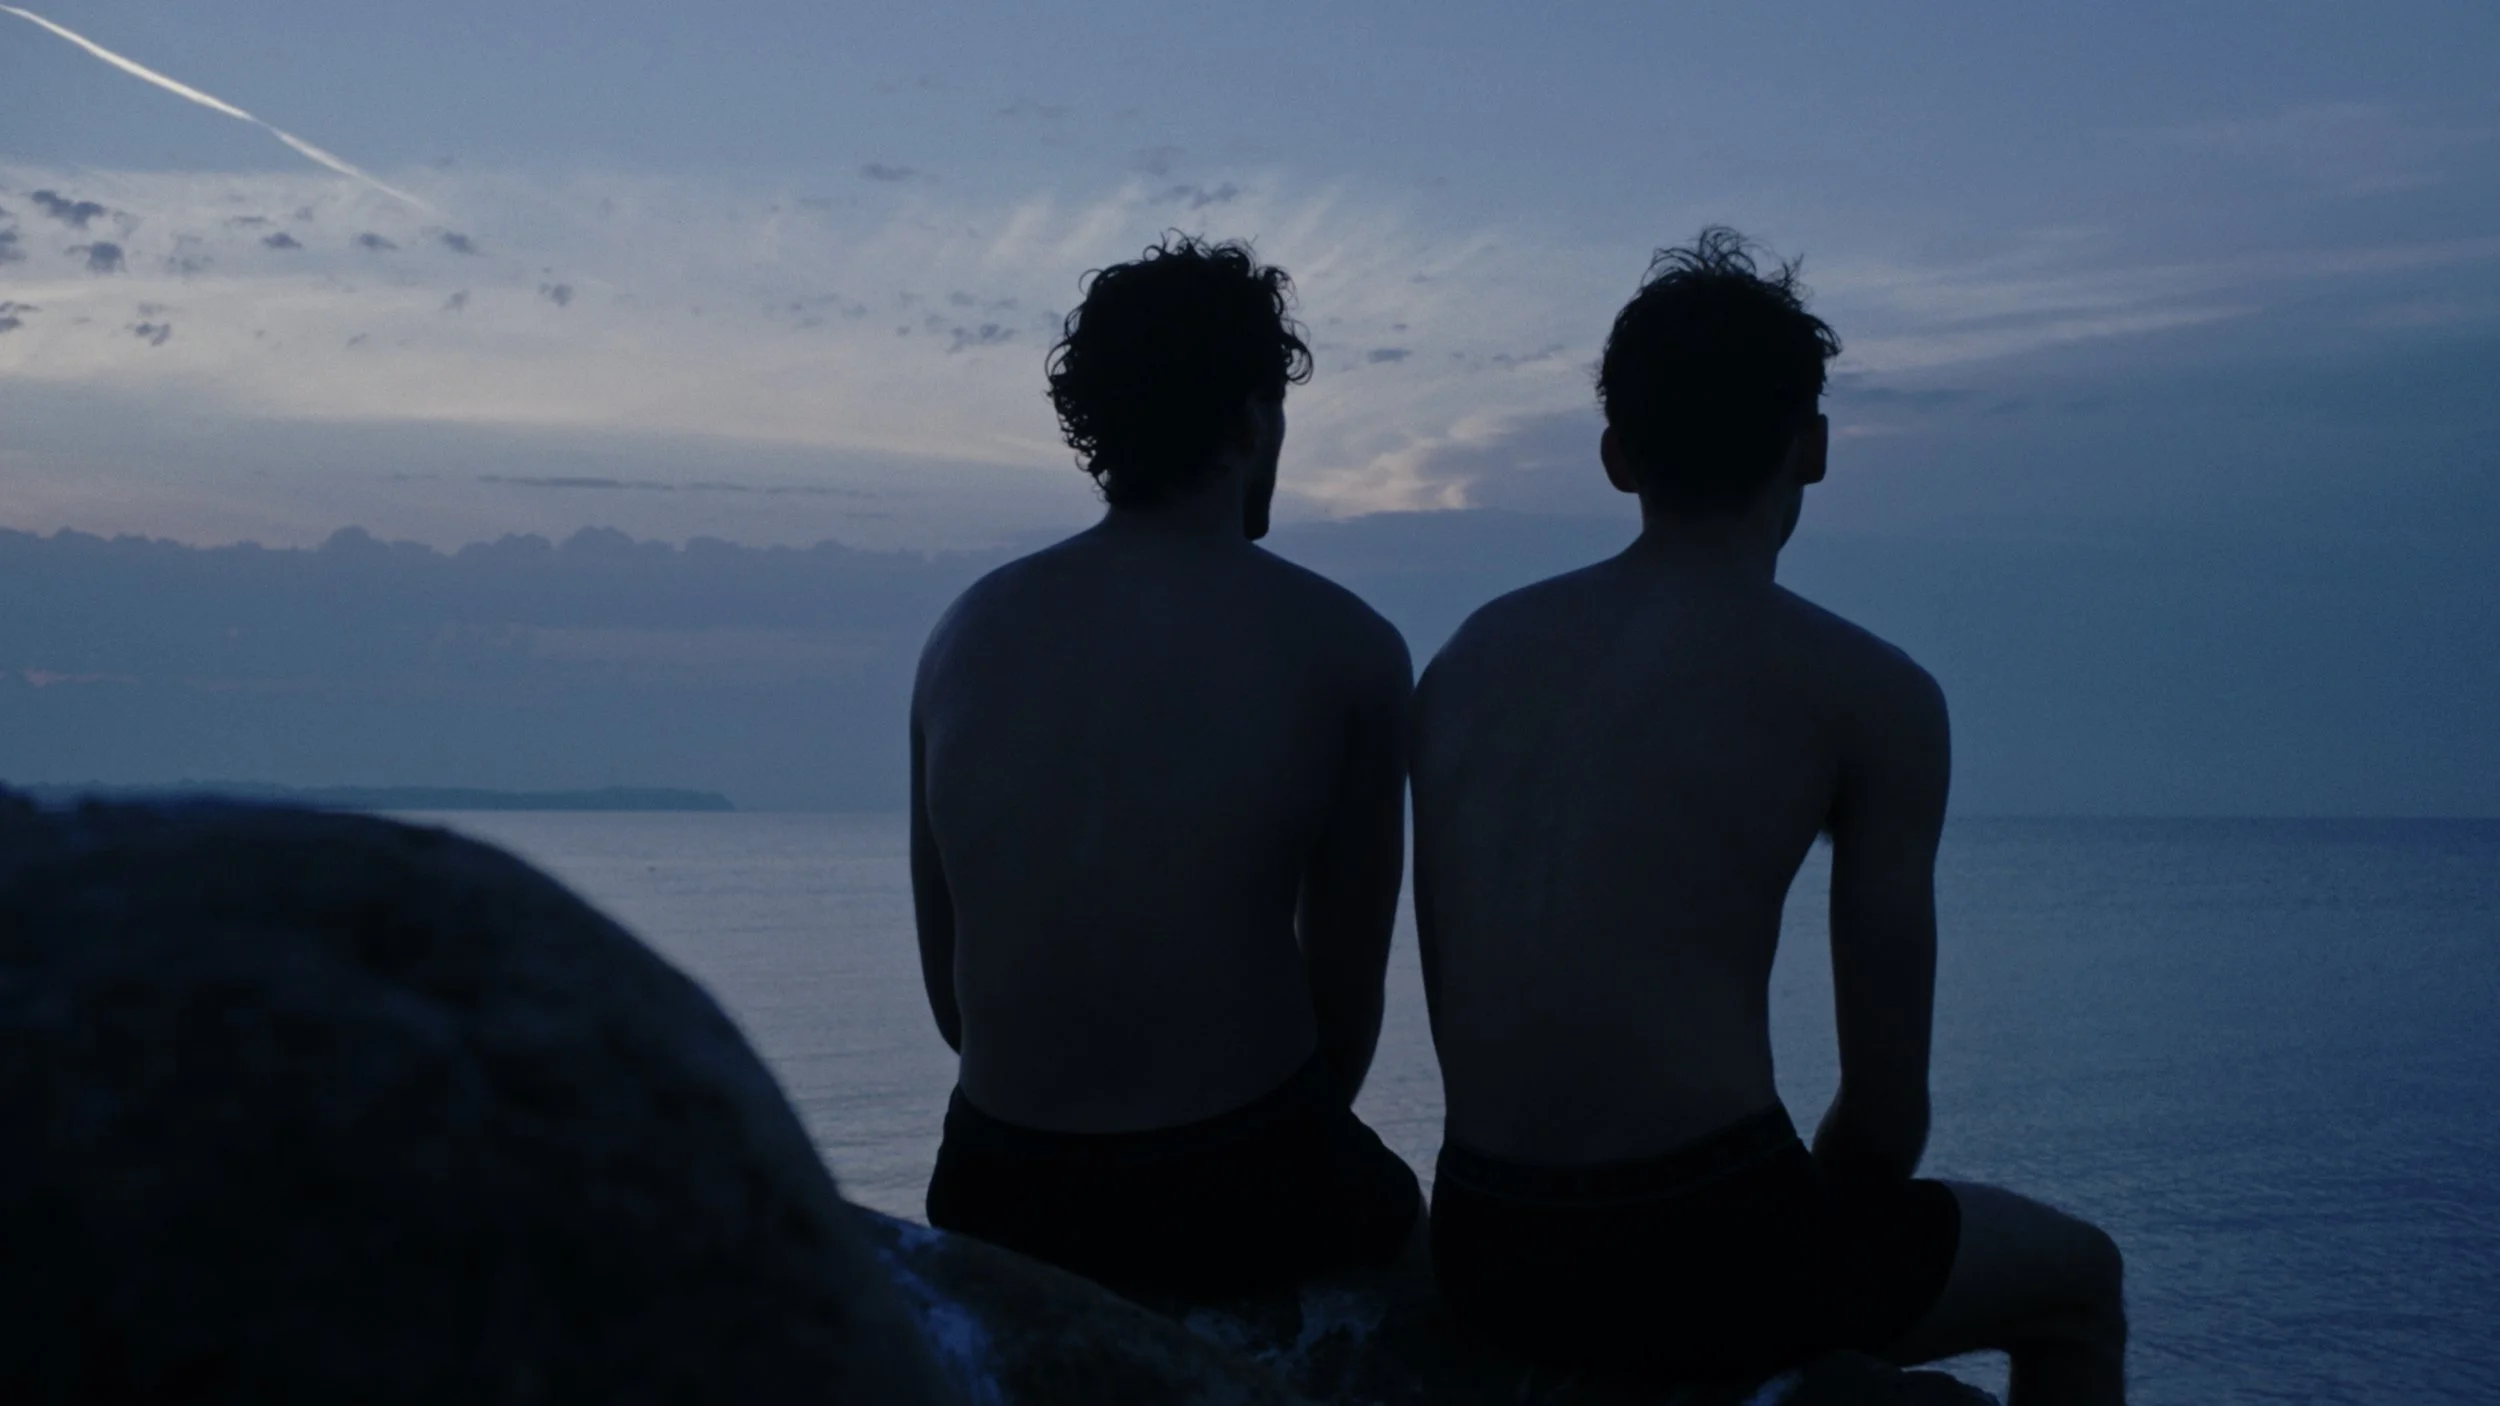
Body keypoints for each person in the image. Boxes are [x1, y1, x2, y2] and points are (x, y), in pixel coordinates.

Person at [1410, 229, 2127, 1403]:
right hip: (1703, 1234)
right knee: (2080, 1281)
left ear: (1615, 456)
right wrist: (1802, 1262)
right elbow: (1886, 1116)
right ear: (1814, 445)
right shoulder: (1869, 693)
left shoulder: (1469, 657)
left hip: (1483, 1238)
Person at [909, 235, 1420, 1298]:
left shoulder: (963, 635)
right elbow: (1344, 1013)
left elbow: (954, 999)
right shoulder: (1347, 645)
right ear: (1249, 419)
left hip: (996, 1177)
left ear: (1101, 432)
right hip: (1237, 1171)